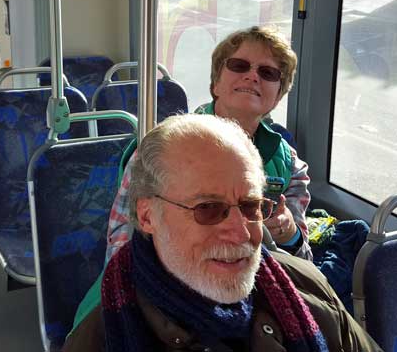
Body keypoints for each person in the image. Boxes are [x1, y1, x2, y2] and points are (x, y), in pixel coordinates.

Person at [62, 114, 381, 352]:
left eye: (250, 206)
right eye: (208, 209)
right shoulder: (102, 336)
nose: (240, 231)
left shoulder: (308, 289)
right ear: (147, 216)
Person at [107, 26, 312, 262]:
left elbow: (304, 262)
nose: (253, 76)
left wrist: (289, 234)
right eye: (239, 66)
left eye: (268, 73)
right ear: (215, 83)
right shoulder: (159, 149)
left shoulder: (289, 165)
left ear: (277, 97)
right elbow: (121, 243)